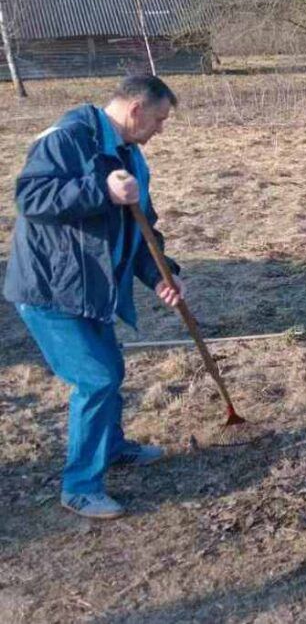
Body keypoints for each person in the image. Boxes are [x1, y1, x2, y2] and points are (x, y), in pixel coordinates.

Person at [4, 75, 185, 519]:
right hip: (51, 288)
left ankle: (112, 446)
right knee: (96, 378)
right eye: (159, 119)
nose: (160, 129)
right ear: (136, 110)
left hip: (90, 289)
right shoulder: (67, 139)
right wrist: (99, 190)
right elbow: (29, 196)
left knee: (111, 370)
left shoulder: (132, 157)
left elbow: (140, 226)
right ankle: (80, 487)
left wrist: (162, 275)